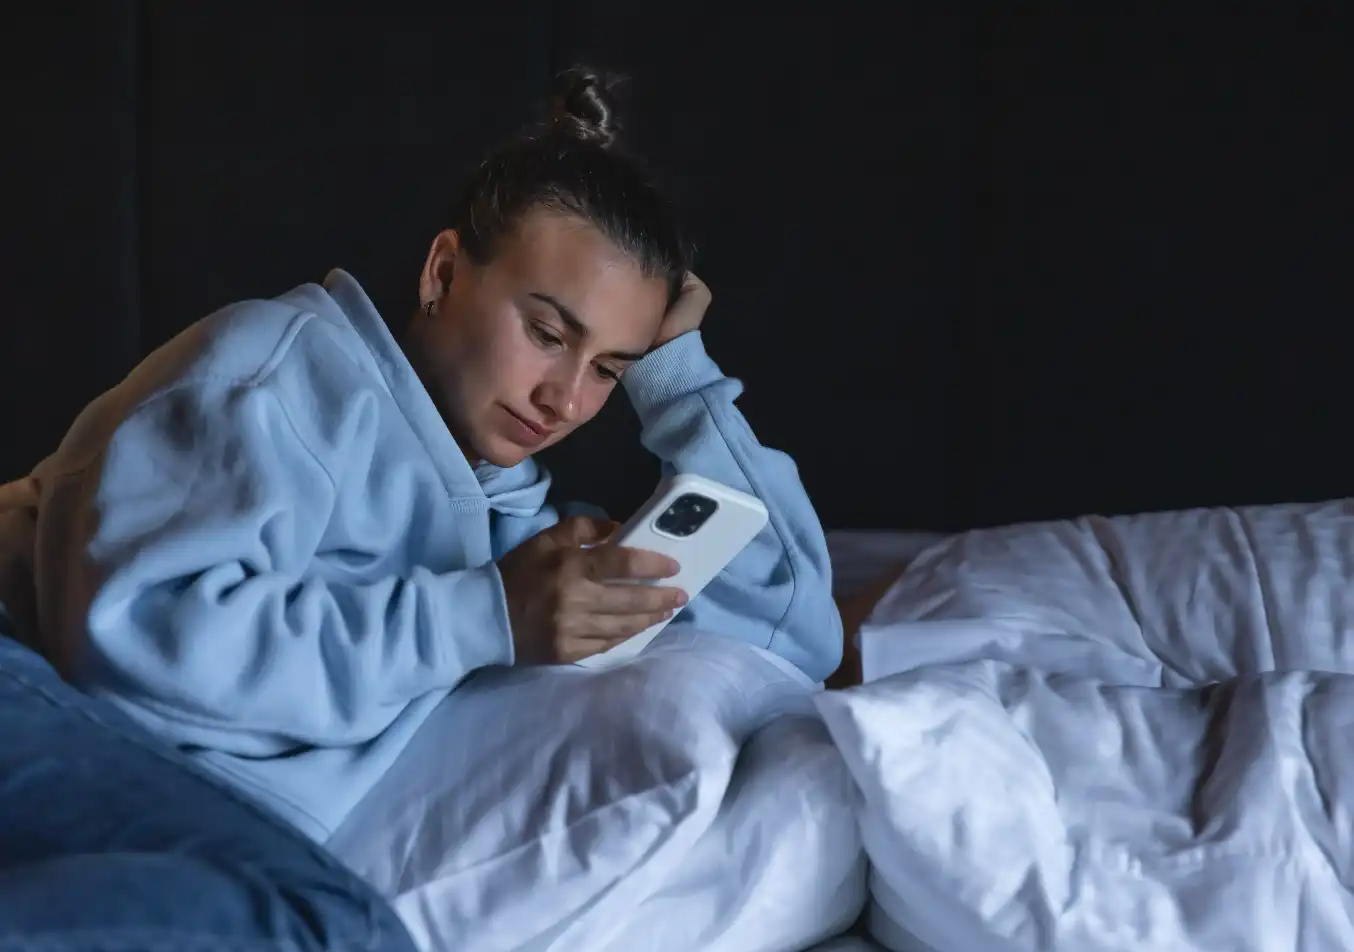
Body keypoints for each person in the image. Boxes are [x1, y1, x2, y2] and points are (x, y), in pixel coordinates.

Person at [0, 66, 842, 843]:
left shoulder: (503, 518)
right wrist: (480, 617)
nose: (567, 401)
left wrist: (677, 381)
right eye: (547, 334)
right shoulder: (277, 374)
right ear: (442, 272)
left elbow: (788, 634)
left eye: (610, 370)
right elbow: (136, 648)